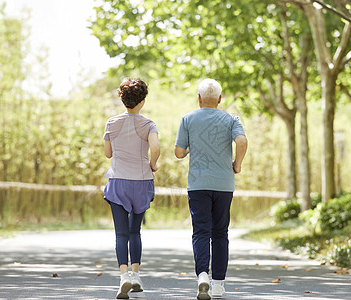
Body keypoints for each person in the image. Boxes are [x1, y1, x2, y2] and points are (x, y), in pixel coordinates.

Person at [174, 78, 248, 300]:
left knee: (201, 232)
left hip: (197, 185)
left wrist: (189, 150)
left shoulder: (188, 118)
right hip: (224, 184)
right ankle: (217, 285)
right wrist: (237, 164)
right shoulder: (231, 119)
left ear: (198, 99)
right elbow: (242, 141)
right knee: (220, 233)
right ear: (219, 99)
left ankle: (203, 275)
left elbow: (178, 152)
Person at [103, 78, 160, 299]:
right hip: (141, 181)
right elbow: (155, 146)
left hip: (118, 182)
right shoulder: (149, 124)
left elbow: (108, 154)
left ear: (122, 99)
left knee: (120, 233)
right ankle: (136, 276)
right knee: (135, 231)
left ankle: (124, 276)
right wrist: (153, 164)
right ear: (142, 101)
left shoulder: (111, 123)